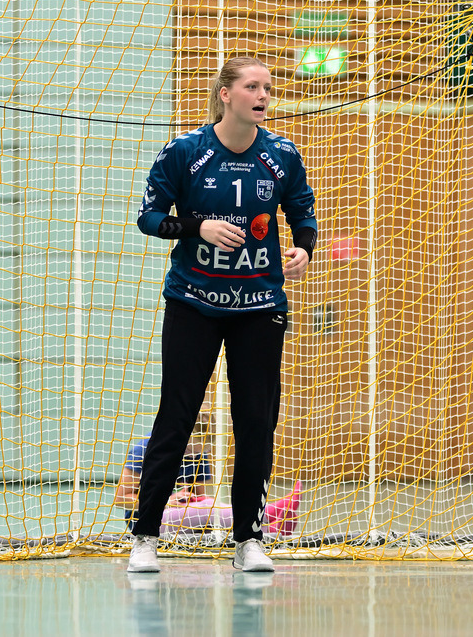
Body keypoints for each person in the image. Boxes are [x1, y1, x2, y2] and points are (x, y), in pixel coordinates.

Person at [128, 55, 317, 573]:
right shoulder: (185, 152)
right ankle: (144, 537)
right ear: (226, 94)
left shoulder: (281, 154)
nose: (263, 95)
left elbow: (303, 211)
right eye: (253, 86)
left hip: (260, 306)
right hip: (194, 302)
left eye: (268, 88)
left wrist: (303, 249)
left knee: (256, 420)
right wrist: (197, 227)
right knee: (178, 415)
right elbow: (149, 217)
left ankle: (248, 540)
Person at [115, 434, 302, 536]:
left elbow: (199, 498)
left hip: (182, 516)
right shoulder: (145, 448)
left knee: (209, 507)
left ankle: (268, 530)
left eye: (202, 451)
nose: (195, 455)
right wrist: (164, 501)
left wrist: (188, 497)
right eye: (191, 451)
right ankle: (269, 512)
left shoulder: (199, 453)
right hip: (146, 520)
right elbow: (121, 499)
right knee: (207, 508)